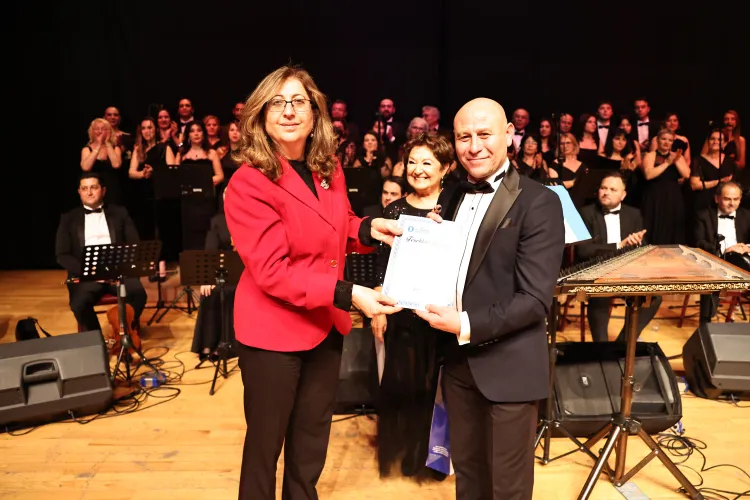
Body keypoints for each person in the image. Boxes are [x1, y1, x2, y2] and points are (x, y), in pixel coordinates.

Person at [223, 65, 404, 500]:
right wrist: (349, 294)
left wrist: (367, 229)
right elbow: (272, 271)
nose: (289, 111)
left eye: (298, 101)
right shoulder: (248, 183)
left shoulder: (327, 167)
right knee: (265, 447)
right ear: (261, 115)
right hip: (273, 333)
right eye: (277, 102)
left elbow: (336, 223)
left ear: (315, 113)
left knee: (310, 444)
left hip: (323, 324)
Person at [417, 98, 565, 499]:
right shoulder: (451, 195)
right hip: (457, 364)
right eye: (464, 137)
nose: (474, 146)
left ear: (509, 135)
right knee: (468, 480)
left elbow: (534, 300)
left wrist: (464, 323)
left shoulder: (540, 201)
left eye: (484, 134)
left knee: (507, 489)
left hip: (509, 369)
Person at [371, 133, 454, 480]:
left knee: (438, 386)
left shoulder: (455, 207)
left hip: (443, 315)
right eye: (412, 162)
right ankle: (407, 454)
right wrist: (378, 309)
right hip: (402, 314)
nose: (418, 170)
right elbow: (382, 266)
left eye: (427, 163)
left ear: (445, 168)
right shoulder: (395, 210)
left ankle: (434, 457)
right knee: (404, 384)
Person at [576, 172, 662, 342]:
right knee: (600, 294)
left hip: (626, 271)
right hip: (598, 270)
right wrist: (619, 246)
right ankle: (601, 347)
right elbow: (583, 251)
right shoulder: (586, 213)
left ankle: (623, 343)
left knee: (653, 297)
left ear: (623, 195)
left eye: (613, 189)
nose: (606, 192)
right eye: (603, 188)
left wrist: (637, 242)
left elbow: (642, 249)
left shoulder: (634, 214)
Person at [55, 172, 147, 332]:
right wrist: (88, 270)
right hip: (87, 274)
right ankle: (96, 339)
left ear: (103, 190)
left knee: (138, 294)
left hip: (117, 271)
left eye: (94, 187)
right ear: (79, 192)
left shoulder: (120, 213)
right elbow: (62, 255)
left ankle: (123, 331)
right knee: (79, 304)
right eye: (85, 189)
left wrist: (119, 268)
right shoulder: (68, 218)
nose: (89, 192)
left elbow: (134, 244)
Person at [694, 181, 750, 322]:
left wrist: (747, 247)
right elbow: (699, 242)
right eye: (727, 199)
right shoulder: (703, 215)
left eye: (736, 199)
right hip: (716, 259)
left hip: (744, 260)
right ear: (717, 198)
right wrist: (725, 250)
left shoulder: (747, 215)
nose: (732, 203)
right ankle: (706, 323)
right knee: (711, 276)